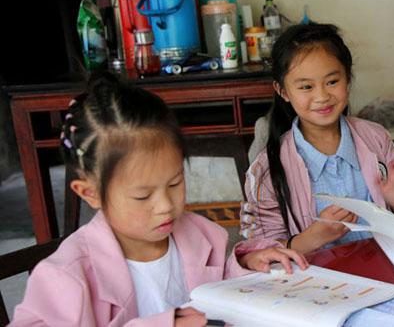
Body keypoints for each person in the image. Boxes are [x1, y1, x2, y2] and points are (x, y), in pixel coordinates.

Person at [11, 72, 307, 327]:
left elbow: (216, 289)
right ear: (90, 193)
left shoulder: (199, 234)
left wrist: (246, 266)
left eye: (175, 183)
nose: (166, 205)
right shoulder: (67, 277)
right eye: (142, 195)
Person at [239, 22, 394, 255]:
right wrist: (312, 238)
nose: (321, 96)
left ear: (347, 77)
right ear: (283, 91)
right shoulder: (267, 169)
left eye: (332, 82)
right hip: (317, 277)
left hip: (388, 269)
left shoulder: (377, 140)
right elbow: (262, 251)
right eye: (306, 87)